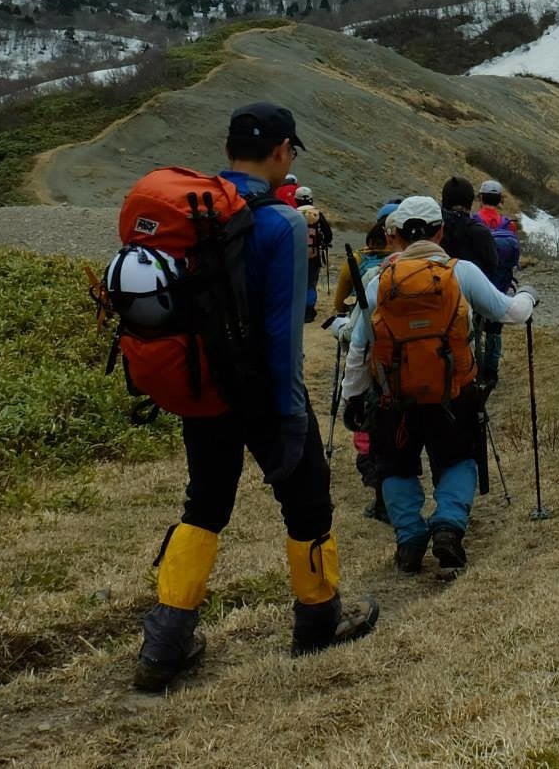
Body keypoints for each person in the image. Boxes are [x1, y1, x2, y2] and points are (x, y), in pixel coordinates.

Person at [132, 102, 377, 693]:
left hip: (203, 390)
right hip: (265, 396)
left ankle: (164, 647)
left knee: (205, 505)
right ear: (282, 152)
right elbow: (281, 329)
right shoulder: (282, 222)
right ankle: (318, 622)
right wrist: (291, 415)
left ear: (228, 148)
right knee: (308, 504)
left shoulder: (197, 212)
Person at [341, 195, 534, 573]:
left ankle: (410, 538)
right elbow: (507, 312)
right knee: (458, 459)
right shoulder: (461, 273)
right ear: (440, 231)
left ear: (394, 234)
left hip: (394, 398)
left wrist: (351, 396)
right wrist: (527, 296)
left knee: (396, 467)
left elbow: (360, 346)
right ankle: (448, 525)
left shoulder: (378, 282)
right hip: (454, 392)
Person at [329, 200, 400, 522]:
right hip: (424, 364)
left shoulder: (365, 267)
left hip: (377, 360)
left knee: (374, 418)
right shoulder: (444, 268)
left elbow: (341, 308)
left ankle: (380, 486)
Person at [439, 177, 504, 384]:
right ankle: (474, 375)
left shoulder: (435, 230)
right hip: (471, 297)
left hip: (437, 294)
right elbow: (493, 263)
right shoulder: (478, 231)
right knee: (471, 334)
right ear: (470, 202)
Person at [296, 186, 334, 294]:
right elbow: (328, 235)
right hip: (314, 257)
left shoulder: (293, 214)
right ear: (311, 200)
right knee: (311, 283)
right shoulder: (317, 215)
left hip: (296, 256)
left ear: (296, 200)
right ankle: (310, 306)